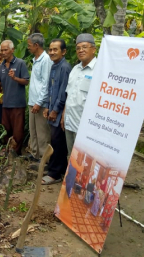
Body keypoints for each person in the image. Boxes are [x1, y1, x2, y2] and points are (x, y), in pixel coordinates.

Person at [0, 40, 30, 155]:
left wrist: (15, 78)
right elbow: (0, 84)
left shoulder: (20, 63)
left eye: (5, 50)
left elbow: (26, 81)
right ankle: (8, 151)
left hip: (17, 103)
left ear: (12, 50)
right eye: (2, 50)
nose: (3, 52)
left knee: (18, 131)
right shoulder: (2, 65)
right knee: (6, 129)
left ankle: (16, 153)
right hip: (5, 103)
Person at [42, 39, 72, 185]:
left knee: (58, 142)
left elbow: (63, 92)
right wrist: (48, 106)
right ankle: (56, 168)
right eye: (50, 49)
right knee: (55, 140)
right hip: (52, 108)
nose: (52, 52)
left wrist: (55, 110)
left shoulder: (65, 68)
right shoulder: (54, 66)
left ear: (64, 51)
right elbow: (51, 88)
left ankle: (55, 173)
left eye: (55, 50)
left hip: (59, 111)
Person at [62, 34, 97, 156]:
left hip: (85, 125)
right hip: (70, 121)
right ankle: (70, 176)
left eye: (84, 47)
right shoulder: (75, 69)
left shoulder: (98, 70)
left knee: (83, 159)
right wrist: (64, 114)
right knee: (71, 155)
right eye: (78, 48)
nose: (81, 50)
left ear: (93, 49)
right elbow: (69, 94)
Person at [27, 33, 52, 161]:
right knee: (34, 131)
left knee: (42, 133)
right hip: (33, 101)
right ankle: (35, 154)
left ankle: (44, 160)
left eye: (29, 45)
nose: (28, 48)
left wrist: (39, 102)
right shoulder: (36, 59)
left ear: (36, 45)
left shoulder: (46, 60)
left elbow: (46, 83)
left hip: (40, 103)